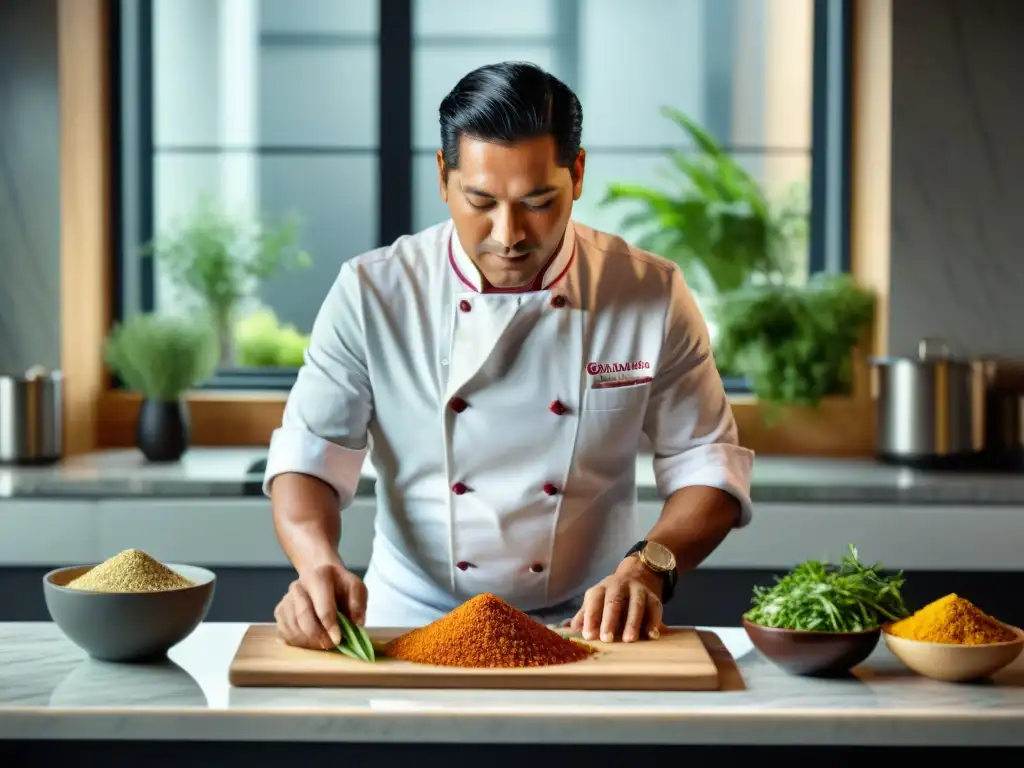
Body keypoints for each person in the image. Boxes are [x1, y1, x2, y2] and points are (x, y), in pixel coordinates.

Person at [264, 61, 754, 649]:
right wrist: (316, 562)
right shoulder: (374, 292)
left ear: (577, 173)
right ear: (443, 176)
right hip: (408, 618)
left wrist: (647, 568)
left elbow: (707, 465)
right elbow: (311, 456)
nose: (508, 233)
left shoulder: (647, 291)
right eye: (480, 200)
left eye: (538, 200)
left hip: (593, 625)